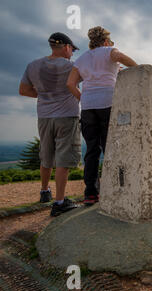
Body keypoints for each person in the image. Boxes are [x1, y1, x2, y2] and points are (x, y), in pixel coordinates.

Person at [67, 26, 138, 205]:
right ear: (106, 41)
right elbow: (119, 57)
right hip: (108, 103)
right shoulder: (109, 51)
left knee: (92, 150)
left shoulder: (82, 59)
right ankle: (116, 190)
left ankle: (90, 193)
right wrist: (138, 69)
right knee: (112, 149)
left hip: (88, 107)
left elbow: (70, 83)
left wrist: (84, 98)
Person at [19, 32, 81, 217]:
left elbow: (23, 90)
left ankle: (44, 191)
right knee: (63, 157)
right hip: (67, 117)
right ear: (67, 47)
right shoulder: (72, 67)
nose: (72, 53)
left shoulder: (33, 65)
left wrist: (45, 94)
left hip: (44, 116)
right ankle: (60, 202)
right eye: (72, 49)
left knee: (46, 154)